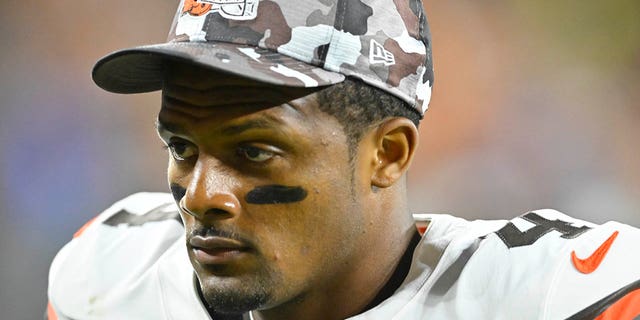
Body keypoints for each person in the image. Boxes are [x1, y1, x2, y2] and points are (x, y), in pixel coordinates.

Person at [47, 0, 640, 319]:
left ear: (387, 154)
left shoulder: (551, 298)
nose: (202, 195)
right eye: (181, 148)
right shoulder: (110, 278)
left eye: (254, 151)